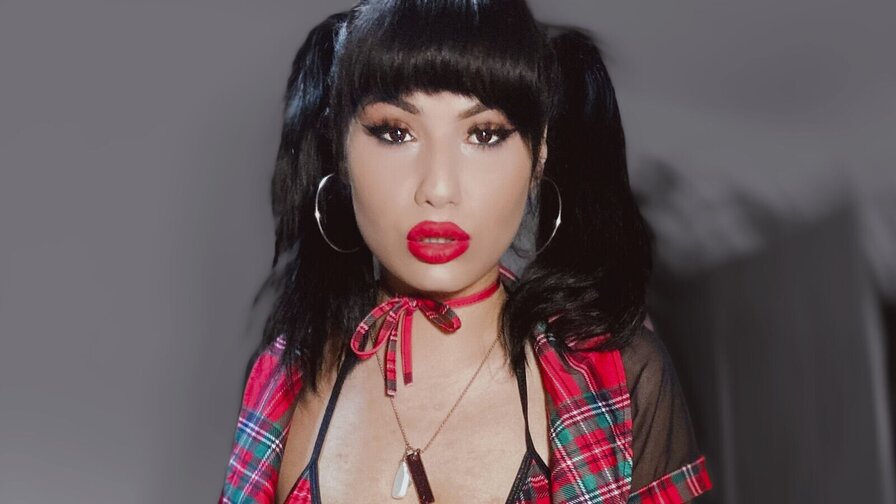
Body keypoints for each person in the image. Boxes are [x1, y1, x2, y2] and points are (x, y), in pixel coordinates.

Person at [219, 1, 714, 503]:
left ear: (539, 154)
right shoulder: (281, 378)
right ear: (340, 149)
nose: (438, 188)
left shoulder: (620, 380)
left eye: (484, 134)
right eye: (396, 132)